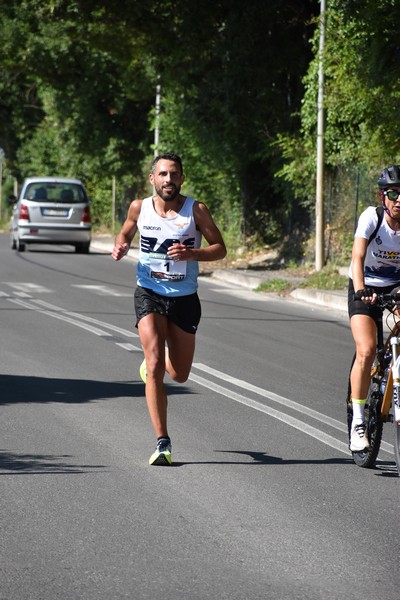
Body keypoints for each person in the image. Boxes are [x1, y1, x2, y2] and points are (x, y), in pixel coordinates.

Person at [112, 153, 227, 465]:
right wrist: (121, 244)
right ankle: (162, 442)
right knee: (154, 363)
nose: (168, 180)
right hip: (149, 291)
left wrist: (193, 253)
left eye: (174, 175)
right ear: (152, 179)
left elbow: (220, 248)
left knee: (179, 374)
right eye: (162, 174)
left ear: (182, 179)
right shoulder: (140, 207)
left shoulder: (196, 211)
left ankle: (154, 369)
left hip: (184, 298)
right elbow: (126, 231)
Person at [348, 164, 400, 451]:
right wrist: (360, 289)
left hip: (396, 288)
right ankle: (358, 421)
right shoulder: (372, 217)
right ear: (383, 196)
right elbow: (358, 256)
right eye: (393, 193)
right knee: (366, 350)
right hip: (365, 284)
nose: (398, 200)